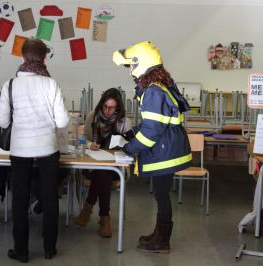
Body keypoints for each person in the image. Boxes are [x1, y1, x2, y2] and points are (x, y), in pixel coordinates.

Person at [113, 41, 192, 253]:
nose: (130, 70)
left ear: (142, 64)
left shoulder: (153, 92)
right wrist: (132, 133)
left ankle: (162, 242)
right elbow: (154, 123)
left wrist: (129, 147)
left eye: (131, 65)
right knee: (161, 195)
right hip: (168, 148)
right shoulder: (158, 87)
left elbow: (152, 132)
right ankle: (158, 235)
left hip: (164, 152)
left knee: (161, 196)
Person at [0, 38, 69, 263]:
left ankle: (22, 250)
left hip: (20, 149)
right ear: (45, 58)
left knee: (19, 199)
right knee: (49, 198)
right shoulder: (51, 84)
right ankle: (49, 248)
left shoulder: (10, 84)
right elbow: (63, 121)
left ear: (22, 56)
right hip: (48, 147)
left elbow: (2, 120)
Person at [75, 88, 132, 237]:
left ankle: (88, 208)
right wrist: (89, 145)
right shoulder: (92, 117)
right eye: (105, 107)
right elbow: (84, 139)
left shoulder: (124, 122)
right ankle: (104, 218)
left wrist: (123, 143)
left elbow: (129, 147)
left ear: (118, 107)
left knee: (105, 171)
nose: (107, 111)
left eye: (112, 107)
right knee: (102, 172)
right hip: (92, 164)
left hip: (116, 167)